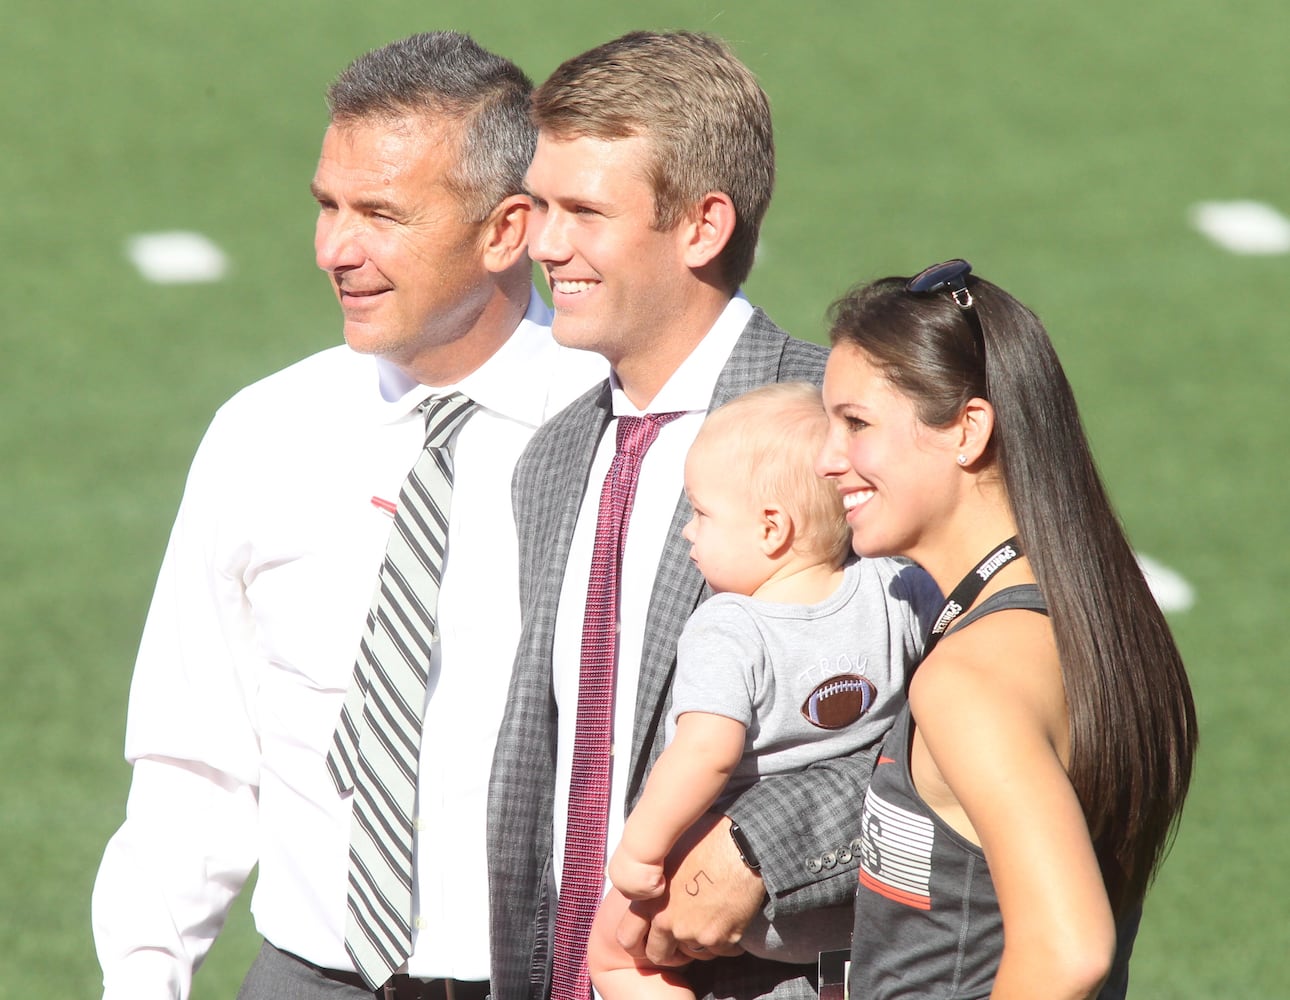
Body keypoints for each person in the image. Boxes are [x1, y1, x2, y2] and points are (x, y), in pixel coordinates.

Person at [91, 32, 604, 1000]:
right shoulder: (264, 432)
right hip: (307, 976)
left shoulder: (622, 431)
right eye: (327, 205)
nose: (335, 249)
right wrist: (142, 979)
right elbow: (193, 756)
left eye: (381, 213)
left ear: (507, 231)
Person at [486, 30, 935, 1000]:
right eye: (539, 206)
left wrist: (760, 845)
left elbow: (987, 725)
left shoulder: (846, 427)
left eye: (584, 211)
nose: (544, 242)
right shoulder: (552, 459)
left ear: (701, 225)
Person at [814, 259, 1198, 999]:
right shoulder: (1094, 626)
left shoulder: (972, 679)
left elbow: (1068, 950)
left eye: (856, 424)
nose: (830, 460)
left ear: (967, 430)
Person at [586, 383, 939, 1000]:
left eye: (701, 513)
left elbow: (704, 753)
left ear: (772, 528)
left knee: (617, 957)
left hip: (734, 895)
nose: (688, 535)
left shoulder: (729, 625)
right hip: (861, 894)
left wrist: (640, 852)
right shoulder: (894, 590)